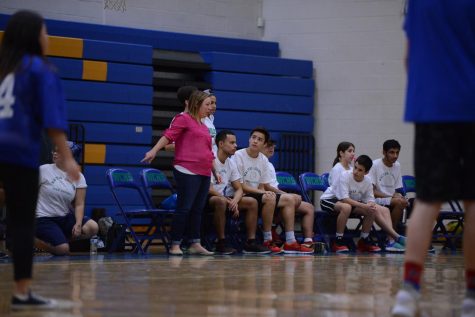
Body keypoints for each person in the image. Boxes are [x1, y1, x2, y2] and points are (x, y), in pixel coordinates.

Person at [392, 1, 475, 316]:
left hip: (432, 107)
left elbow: (409, 59)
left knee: (426, 201)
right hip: (471, 104)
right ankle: (471, 296)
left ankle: (409, 291)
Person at [0, 10, 81, 309]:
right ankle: (22, 292)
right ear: (34, 36)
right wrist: (69, 157)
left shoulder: (4, 70)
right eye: (45, 32)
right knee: (21, 224)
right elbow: (53, 120)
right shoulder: (39, 69)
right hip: (18, 151)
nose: (48, 38)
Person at [142, 90, 214, 256]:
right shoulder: (183, 119)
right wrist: (154, 151)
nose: (210, 108)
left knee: (198, 208)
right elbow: (168, 136)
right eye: (207, 105)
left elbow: (208, 151)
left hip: (204, 171)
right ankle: (175, 244)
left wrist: (214, 170)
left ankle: (195, 242)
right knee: (184, 207)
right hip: (186, 169)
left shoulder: (204, 125)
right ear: (196, 104)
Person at [233, 127, 313, 254]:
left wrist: (263, 192)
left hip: (256, 194)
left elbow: (262, 185)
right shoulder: (238, 156)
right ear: (249, 139)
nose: (255, 141)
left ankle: (290, 241)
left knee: (289, 199)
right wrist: (263, 192)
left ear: (263, 144)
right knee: (269, 196)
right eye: (253, 137)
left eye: (259, 139)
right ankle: (268, 239)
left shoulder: (263, 159)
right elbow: (241, 186)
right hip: (241, 194)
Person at [208, 130, 270, 255]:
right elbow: (208, 189)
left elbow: (239, 188)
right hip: (208, 198)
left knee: (252, 202)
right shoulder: (211, 160)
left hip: (225, 198)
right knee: (220, 201)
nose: (235, 146)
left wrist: (235, 201)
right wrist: (228, 200)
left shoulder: (230, 162)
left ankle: (250, 242)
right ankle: (221, 242)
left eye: (235, 143)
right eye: (232, 143)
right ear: (220, 144)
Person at [34, 143, 98, 256]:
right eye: (54, 150)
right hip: (43, 218)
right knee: (63, 250)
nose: (54, 153)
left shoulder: (78, 176)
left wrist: (78, 223)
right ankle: (34, 241)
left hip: (63, 217)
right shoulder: (43, 170)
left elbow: (79, 204)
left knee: (92, 227)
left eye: (59, 152)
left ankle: (58, 240)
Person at [320, 155, 381, 253]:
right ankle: (338, 241)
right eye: (355, 167)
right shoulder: (345, 175)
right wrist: (364, 205)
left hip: (348, 203)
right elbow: (345, 199)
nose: (355, 171)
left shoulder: (368, 181)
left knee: (372, 210)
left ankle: (364, 241)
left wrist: (370, 204)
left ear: (366, 173)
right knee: (347, 207)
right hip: (329, 199)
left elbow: (370, 199)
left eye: (360, 170)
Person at [261, 139, 316, 249]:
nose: (272, 149)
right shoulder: (260, 163)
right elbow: (266, 186)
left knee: (309, 207)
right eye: (268, 146)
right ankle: (285, 237)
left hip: (277, 196)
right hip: (268, 196)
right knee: (290, 199)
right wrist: (286, 194)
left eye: (273, 146)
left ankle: (308, 241)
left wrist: (285, 194)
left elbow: (274, 186)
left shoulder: (270, 165)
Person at [367, 139, 407, 252]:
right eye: (392, 152)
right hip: (376, 199)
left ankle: (392, 238)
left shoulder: (397, 166)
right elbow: (371, 191)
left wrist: (399, 195)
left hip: (391, 199)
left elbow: (396, 189)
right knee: (398, 202)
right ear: (384, 152)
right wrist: (391, 197)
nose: (395, 156)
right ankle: (393, 238)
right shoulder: (375, 165)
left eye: (397, 152)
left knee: (403, 201)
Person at [164, 85, 198, 152]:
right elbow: (167, 146)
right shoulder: (180, 118)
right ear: (187, 102)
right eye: (196, 99)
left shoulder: (205, 118)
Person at [202, 89, 217, 155]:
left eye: (215, 103)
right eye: (211, 103)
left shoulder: (211, 118)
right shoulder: (199, 119)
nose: (214, 106)